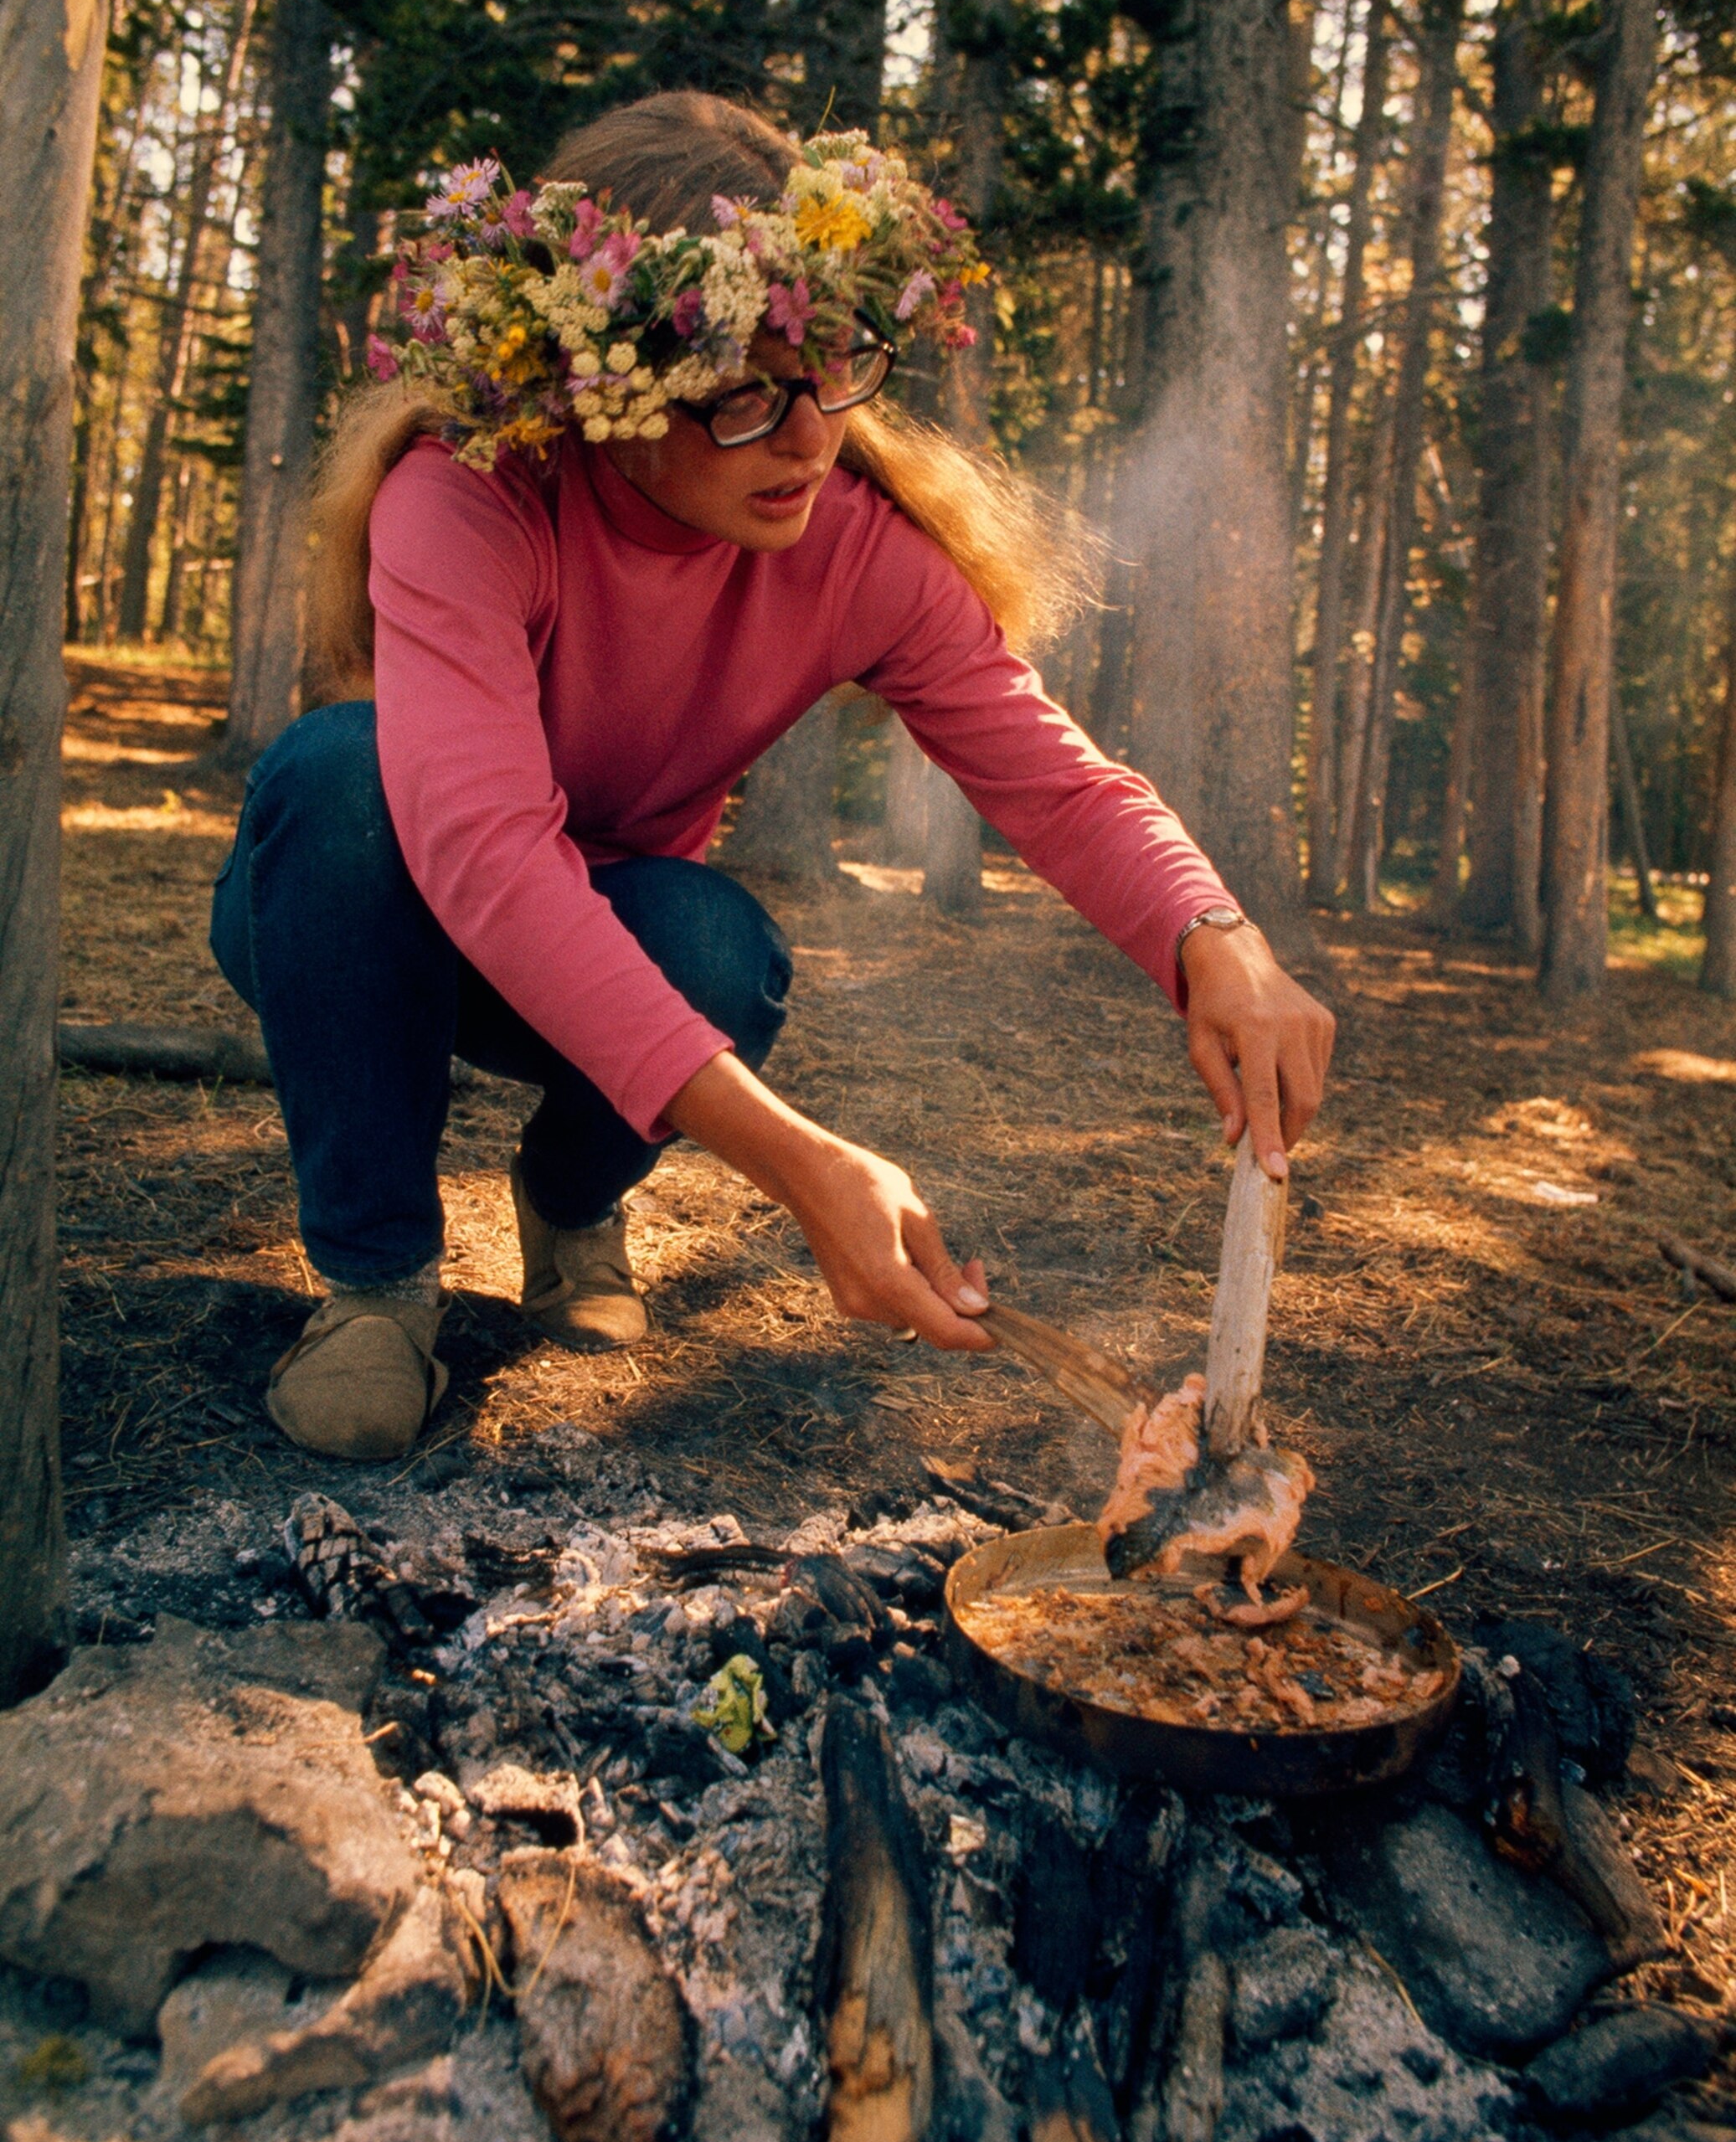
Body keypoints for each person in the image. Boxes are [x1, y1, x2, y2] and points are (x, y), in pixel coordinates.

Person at [210, 91, 1333, 1461]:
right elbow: (484, 855)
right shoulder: (468, 496)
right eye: (740, 394)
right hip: (369, 922)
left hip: (607, 940)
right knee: (338, 779)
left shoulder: (852, 545)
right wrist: (801, 1165)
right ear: (600, 381)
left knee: (718, 946)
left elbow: (1052, 774)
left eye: (836, 367)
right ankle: (377, 1286)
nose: (809, 439)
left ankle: (570, 1210)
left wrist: (1214, 937)